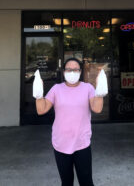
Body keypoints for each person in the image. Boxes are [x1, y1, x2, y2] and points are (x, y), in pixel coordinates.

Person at [34, 57, 108, 186]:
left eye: (75, 69)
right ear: (63, 72)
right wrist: (39, 95)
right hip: (61, 143)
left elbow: (97, 109)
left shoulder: (88, 88)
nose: (72, 72)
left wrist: (99, 93)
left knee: (86, 182)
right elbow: (42, 110)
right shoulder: (56, 89)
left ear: (80, 72)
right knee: (66, 182)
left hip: (82, 143)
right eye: (69, 69)